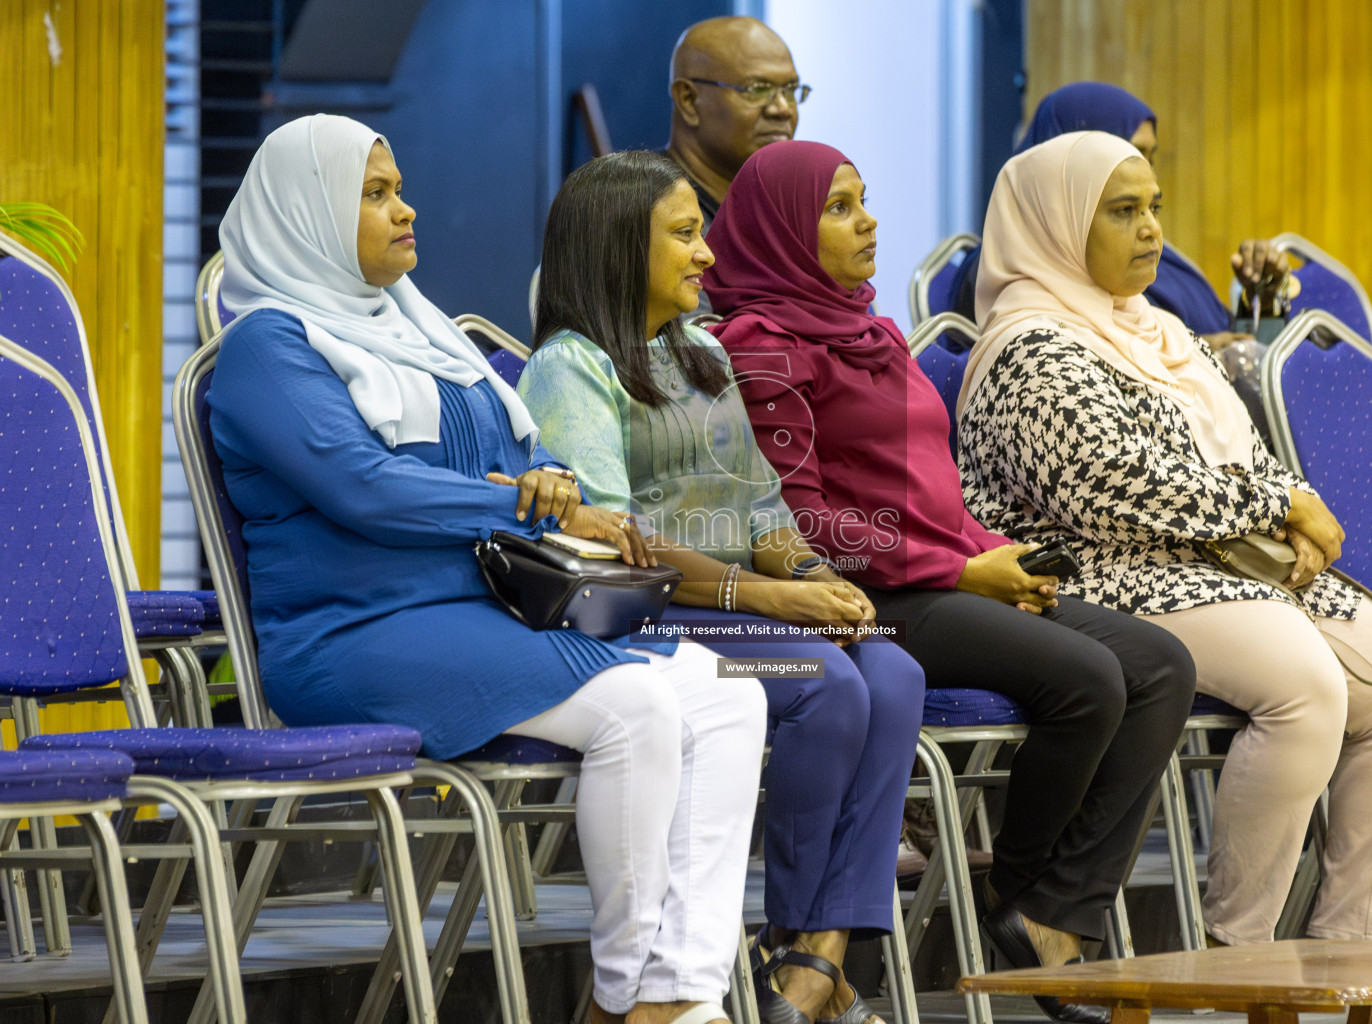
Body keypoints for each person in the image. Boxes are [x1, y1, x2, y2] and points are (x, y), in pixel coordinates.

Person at [209, 114, 765, 1024]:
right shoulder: (269, 347)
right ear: (306, 212)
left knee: (731, 692)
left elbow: (508, 457)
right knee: (637, 707)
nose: (406, 209)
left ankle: (680, 988)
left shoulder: (417, 331)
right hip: (352, 633)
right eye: (375, 194)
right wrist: (522, 500)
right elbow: (365, 489)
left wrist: (540, 482)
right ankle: (630, 996)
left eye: (399, 188)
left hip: (474, 608)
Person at [704, 139, 1197, 1024]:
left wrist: (998, 559)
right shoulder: (762, 347)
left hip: (942, 577)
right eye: (840, 207)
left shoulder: (872, 329)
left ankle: (1050, 912)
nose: (870, 222)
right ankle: (1011, 892)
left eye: (866, 201)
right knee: (1087, 680)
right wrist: (964, 570)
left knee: (1161, 664)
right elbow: (804, 525)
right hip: (869, 600)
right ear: (782, 228)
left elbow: (935, 487)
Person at [958, 129, 1372, 945]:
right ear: (1055, 224)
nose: (1152, 230)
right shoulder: (1028, 346)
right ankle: (1237, 948)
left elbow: (1247, 457)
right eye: (1123, 212)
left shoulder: (1160, 331)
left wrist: (1287, 505)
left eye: (1154, 208)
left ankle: (1356, 944)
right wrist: (1279, 503)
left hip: (1215, 568)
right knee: (1307, 686)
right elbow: (1111, 487)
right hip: (1103, 576)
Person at [516, 149, 924, 1024]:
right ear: (622, 247)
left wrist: (814, 576)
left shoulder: (699, 351)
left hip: (740, 607)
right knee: (821, 688)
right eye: (685, 235)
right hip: (650, 625)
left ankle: (820, 950)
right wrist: (768, 598)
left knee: (895, 674)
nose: (707, 256)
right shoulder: (571, 365)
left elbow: (763, 503)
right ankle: (793, 944)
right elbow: (620, 541)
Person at [663, 16, 806, 232]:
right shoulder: (647, 218)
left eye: (790, 90)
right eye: (757, 89)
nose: (783, 109)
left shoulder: (788, 212)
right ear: (688, 100)